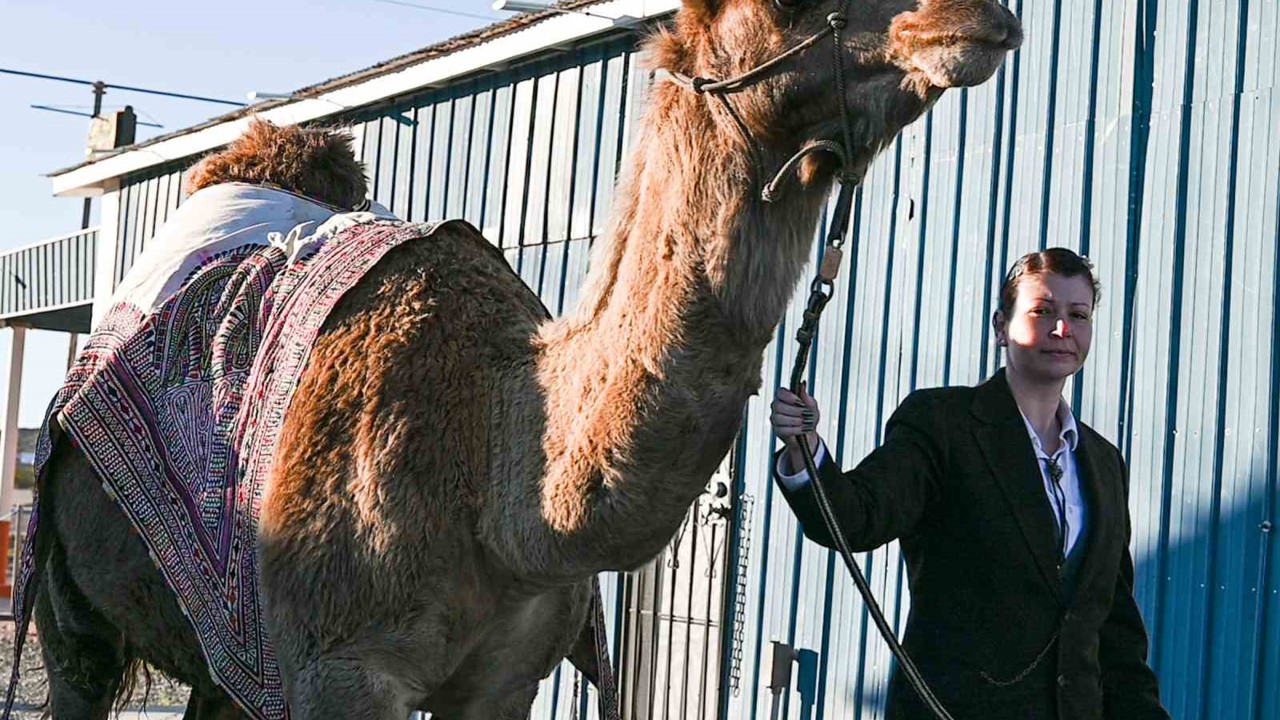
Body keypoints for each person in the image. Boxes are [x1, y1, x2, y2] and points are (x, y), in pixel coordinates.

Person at [770, 248, 1169, 720]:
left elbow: (1116, 631)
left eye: (1078, 315)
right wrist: (806, 452)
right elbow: (856, 517)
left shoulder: (1103, 463)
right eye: (1042, 311)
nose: (1062, 328)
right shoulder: (943, 424)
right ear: (1001, 327)